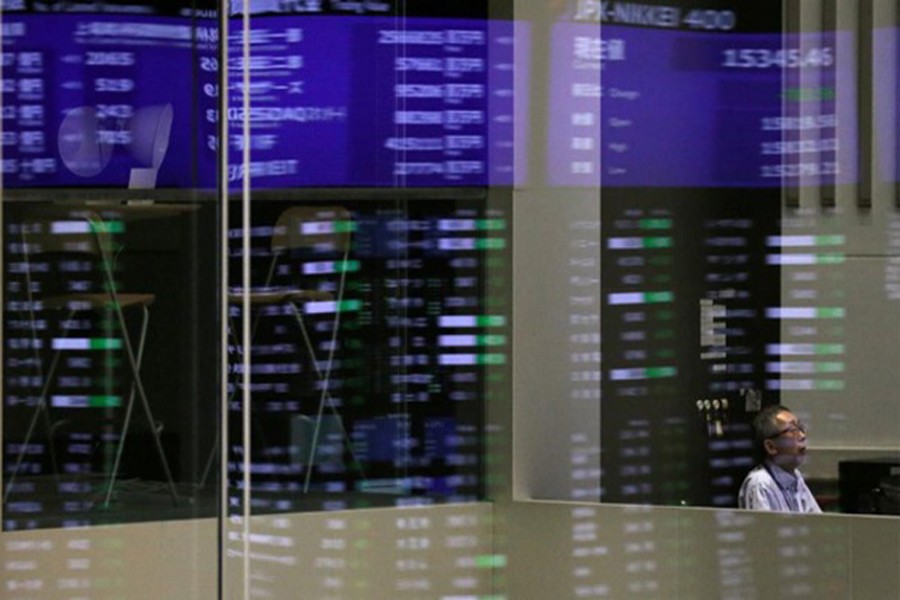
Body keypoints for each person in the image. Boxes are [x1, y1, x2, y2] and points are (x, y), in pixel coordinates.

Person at [738, 404, 822, 513]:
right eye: (793, 430)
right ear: (771, 447)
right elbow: (763, 529)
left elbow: (815, 521)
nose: (802, 436)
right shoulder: (760, 483)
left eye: (800, 428)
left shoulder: (795, 475)